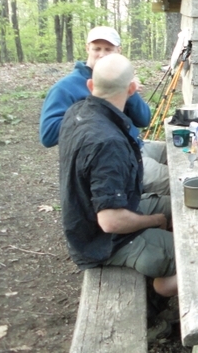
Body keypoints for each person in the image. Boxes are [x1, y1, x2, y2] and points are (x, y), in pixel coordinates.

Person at [58, 53, 177, 298]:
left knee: (177, 205)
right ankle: (158, 296)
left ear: (90, 85)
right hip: (103, 242)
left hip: (91, 220)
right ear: (132, 89)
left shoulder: (77, 111)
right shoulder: (107, 142)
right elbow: (110, 221)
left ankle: (162, 270)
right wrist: (154, 221)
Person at [40, 26, 169, 195]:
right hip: (112, 159)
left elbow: (144, 119)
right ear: (87, 49)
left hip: (134, 145)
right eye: (96, 49)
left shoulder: (121, 77)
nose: (102, 54)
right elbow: (48, 135)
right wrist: (96, 106)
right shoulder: (65, 88)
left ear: (119, 51)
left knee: (176, 152)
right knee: (178, 179)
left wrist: (128, 90)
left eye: (108, 49)